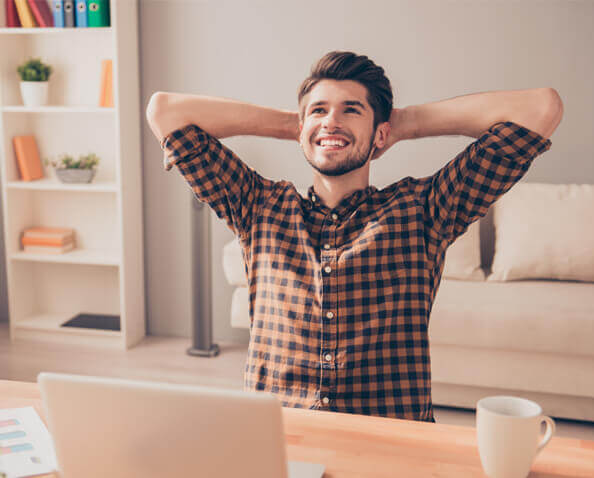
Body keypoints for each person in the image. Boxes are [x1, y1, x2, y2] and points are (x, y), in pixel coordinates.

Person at [145, 51, 563, 423]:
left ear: (379, 134)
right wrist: (295, 125)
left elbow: (541, 109)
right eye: (319, 110)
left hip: (391, 445)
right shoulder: (258, 205)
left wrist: (406, 123)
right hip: (278, 441)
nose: (332, 120)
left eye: (351, 111)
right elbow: (164, 111)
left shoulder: (424, 210)